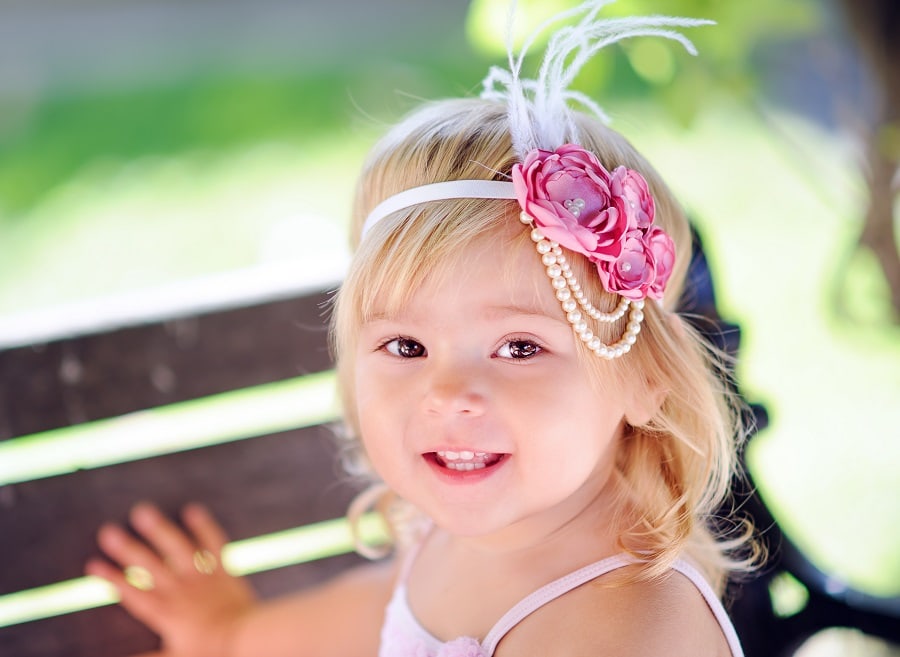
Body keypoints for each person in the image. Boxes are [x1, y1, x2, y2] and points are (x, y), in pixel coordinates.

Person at [86, 2, 758, 655]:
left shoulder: (624, 627)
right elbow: (386, 607)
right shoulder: (464, 534)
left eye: (520, 347)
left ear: (647, 376)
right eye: (406, 346)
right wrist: (231, 637)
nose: (448, 392)